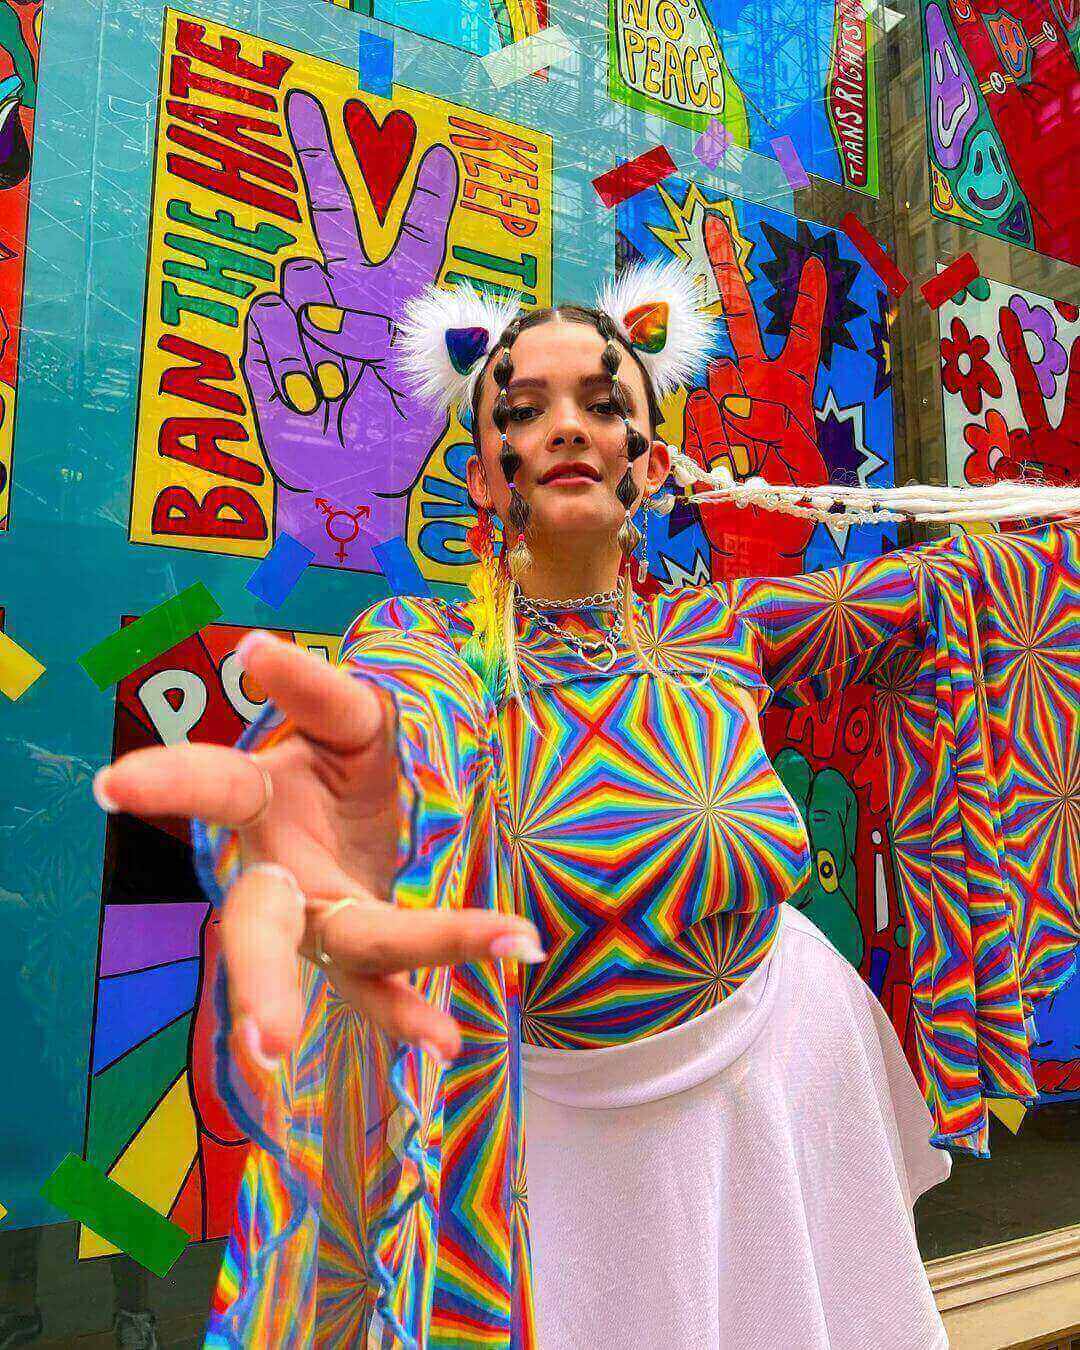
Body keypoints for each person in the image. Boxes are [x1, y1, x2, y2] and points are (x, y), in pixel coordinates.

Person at [93, 229, 1080, 1349]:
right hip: (552, 1147)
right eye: (523, 407)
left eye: (604, 403)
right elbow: (361, 732)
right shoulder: (422, 649)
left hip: (788, 1085)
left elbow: (961, 592)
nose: (566, 423)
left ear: (652, 464)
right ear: (480, 472)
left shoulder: (724, 626)